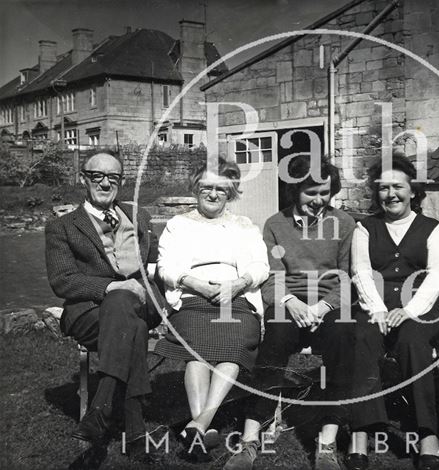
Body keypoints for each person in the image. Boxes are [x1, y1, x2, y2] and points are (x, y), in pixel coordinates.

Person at [223, 155, 356, 470]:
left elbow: (347, 277)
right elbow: (271, 277)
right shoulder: (275, 224)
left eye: (324, 192)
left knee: (343, 336)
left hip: (329, 304)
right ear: (296, 191)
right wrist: (292, 303)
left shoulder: (345, 224)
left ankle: (327, 442)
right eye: (311, 192)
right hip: (289, 303)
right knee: (276, 338)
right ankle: (251, 439)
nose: (318, 199)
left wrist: (324, 306)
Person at [45, 153, 164, 455]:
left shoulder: (140, 217)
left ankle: (100, 409)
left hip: (141, 301)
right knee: (131, 326)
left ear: (121, 181)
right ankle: (135, 429)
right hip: (89, 312)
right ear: (83, 178)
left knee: (126, 303)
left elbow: (156, 265)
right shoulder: (62, 227)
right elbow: (63, 281)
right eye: (97, 175)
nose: (105, 182)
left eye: (113, 177)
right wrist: (112, 286)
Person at [154, 160, 269, 461]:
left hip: (237, 298)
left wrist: (238, 284)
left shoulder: (244, 225)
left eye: (221, 189)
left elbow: (260, 266)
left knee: (232, 346)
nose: (213, 194)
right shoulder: (178, 225)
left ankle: (199, 424)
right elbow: (166, 267)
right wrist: (197, 284)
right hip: (192, 296)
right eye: (207, 187)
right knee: (198, 352)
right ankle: (202, 425)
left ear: (231, 193)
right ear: (196, 188)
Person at [348, 154, 439, 470]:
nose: (391, 194)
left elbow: (437, 276)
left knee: (413, 341)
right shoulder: (365, 228)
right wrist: (378, 310)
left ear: (413, 190)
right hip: (374, 307)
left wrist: (408, 311)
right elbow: (361, 272)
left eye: (398, 187)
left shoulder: (433, 229)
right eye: (383, 188)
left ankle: (427, 434)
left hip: (419, 309)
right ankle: (361, 434)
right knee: (361, 337)